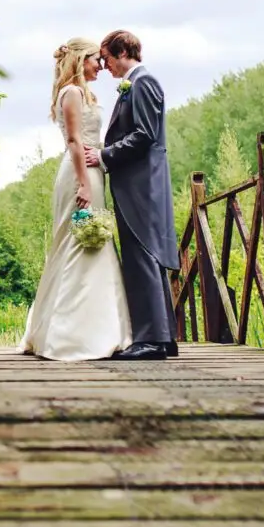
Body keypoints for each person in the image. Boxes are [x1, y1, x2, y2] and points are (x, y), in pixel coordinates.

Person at [17, 38, 132, 361]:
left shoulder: (85, 93)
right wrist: (83, 184)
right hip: (79, 174)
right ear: (81, 60)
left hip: (92, 172)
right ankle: (71, 335)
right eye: (97, 59)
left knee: (92, 242)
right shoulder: (72, 93)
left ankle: (101, 326)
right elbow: (73, 139)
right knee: (80, 243)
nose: (102, 64)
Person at [85, 30, 180, 360]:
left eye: (108, 58)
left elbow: (144, 135)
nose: (106, 65)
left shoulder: (143, 82)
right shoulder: (137, 84)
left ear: (123, 51)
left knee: (142, 256)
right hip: (137, 184)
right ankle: (162, 337)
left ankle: (151, 341)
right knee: (144, 256)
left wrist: (104, 156)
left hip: (142, 185)